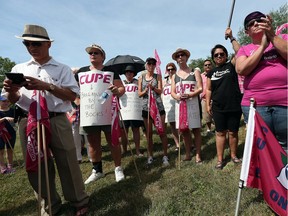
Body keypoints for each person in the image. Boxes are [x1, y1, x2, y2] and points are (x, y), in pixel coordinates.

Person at [3, 24, 89, 216]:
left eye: (36, 44)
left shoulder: (62, 69)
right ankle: (49, 205)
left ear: (48, 44)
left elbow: (71, 96)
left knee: (67, 161)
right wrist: (11, 91)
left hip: (57, 118)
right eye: (27, 44)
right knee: (36, 164)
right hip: (29, 119)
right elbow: (13, 100)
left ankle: (78, 200)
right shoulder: (19, 68)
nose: (31, 47)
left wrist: (47, 86)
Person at [236, 11, 287, 151]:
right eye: (251, 24)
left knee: (286, 145)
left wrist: (271, 36)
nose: (256, 24)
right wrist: (263, 47)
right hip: (256, 104)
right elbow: (241, 69)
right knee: (263, 149)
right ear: (247, 32)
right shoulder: (244, 49)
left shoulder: (282, 38)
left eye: (259, 20)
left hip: (284, 102)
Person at [75, 44, 125, 184]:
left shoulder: (110, 71)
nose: (93, 54)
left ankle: (118, 168)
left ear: (103, 56)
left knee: (113, 141)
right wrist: (77, 100)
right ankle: (97, 170)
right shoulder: (81, 72)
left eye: (96, 52)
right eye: (91, 52)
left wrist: (117, 90)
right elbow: (72, 90)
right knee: (92, 142)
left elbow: (122, 89)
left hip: (108, 113)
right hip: (89, 114)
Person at [206, 28, 242, 170]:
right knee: (220, 132)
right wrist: (208, 105)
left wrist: (232, 37)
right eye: (216, 55)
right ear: (213, 58)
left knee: (233, 132)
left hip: (234, 105)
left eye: (222, 54)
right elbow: (208, 89)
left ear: (226, 55)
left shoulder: (231, 66)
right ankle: (220, 160)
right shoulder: (211, 72)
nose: (219, 56)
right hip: (218, 107)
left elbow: (240, 51)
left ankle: (233, 155)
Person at [171, 48, 203, 163]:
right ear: (176, 59)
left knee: (196, 129)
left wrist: (190, 95)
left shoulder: (195, 71)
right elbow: (172, 92)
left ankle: (198, 154)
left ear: (186, 57)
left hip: (193, 104)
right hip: (180, 106)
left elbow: (200, 88)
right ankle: (188, 153)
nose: (180, 57)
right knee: (184, 131)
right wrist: (178, 97)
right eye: (178, 56)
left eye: (182, 55)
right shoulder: (174, 76)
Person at [138, 57, 169, 166]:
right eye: (149, 64)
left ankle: (165, 155)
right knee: (149, 133)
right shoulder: (141, 78)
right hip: (146, 109)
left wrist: (153, 88)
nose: (151, 66)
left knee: (162, 132)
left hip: (158, 107)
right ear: (146, 65)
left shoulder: (158, 76)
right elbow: (139, 94)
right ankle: (150, 156)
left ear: (155, 66)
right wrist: (146, 90)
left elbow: (160, 91)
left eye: (153, 64)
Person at [120, 65, 144, 156]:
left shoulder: (138, 83)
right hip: (124, 111)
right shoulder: (121, 83)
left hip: (135, 111)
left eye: (130, 72)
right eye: (127, 72)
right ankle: (124, 150)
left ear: (133, 73)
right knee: (124, 131)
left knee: (136, 130)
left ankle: (137, 150)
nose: (128, 73)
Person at [162, 62, 180, 151]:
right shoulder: (164, 81)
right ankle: (177, 144)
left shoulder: (178, 78)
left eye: (172, 69)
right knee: (172, 125)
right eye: (168, 69)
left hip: (177, 104)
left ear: (175, 70)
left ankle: (187, 142)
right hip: (167, 105)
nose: (170, 71)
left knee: (180, 125)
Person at [0, 96, 16, 174]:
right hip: (1, 133)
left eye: (7, 101)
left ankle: (10, 166)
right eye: (3, 101)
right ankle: (3, 168)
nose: (6, 103)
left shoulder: (12, 110)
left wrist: (14, 120)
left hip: (11, 132)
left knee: (10, 150)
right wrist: (4, 118)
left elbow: (16, 120)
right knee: (1, 151)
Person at [200, 60, 214, 134]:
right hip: (204, 99)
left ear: (211, 65)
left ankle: (219, 129)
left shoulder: (215, 73)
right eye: (205, 65)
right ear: (203, 67)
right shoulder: (201, 76)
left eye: (209, 64)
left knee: (216, 115)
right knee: (206, 116)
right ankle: (209, 129)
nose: (207, 66)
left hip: (215, 98)